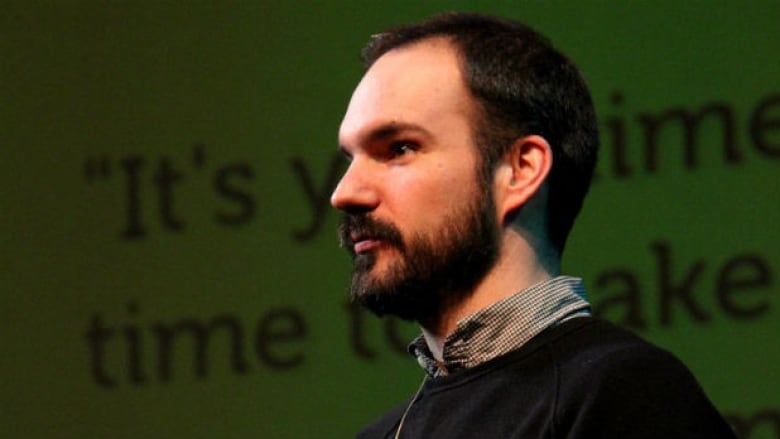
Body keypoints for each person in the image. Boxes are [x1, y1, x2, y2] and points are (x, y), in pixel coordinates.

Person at [330, 12, 737, 439]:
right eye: (349, 158)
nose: (344, 192)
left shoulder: (625, 395)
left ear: (521, 169)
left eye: (399, 148)